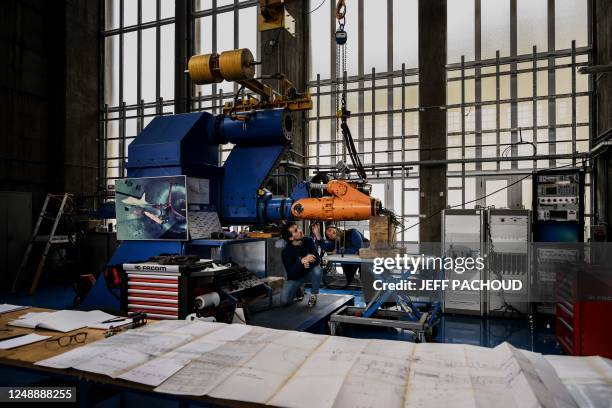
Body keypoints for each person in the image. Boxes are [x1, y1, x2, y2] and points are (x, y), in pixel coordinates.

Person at [280, 222, 322, 307]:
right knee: (284, 301)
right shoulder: (286, 251)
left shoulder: (308, 241)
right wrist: (301, 262)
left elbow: (317, 260)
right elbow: (290, 273)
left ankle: (313, 295)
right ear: (291, 238)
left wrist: (307, 262)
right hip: (296, 277)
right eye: (296, 231)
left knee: (318, 270)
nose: (300, 231)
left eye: (298, 228)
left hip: (308, 274)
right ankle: (299, 290)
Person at [311, 223, 365, 288]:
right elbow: (326, 247)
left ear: (336, 228)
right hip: (352, 261)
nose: (330, 234)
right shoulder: (336, 242)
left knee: (364, 277)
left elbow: (359, 248)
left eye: (330, 230)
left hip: (366, 259)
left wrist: (338, 252)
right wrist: (318, 235)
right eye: (328, 235)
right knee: (349, 277)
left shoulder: (352, 232)